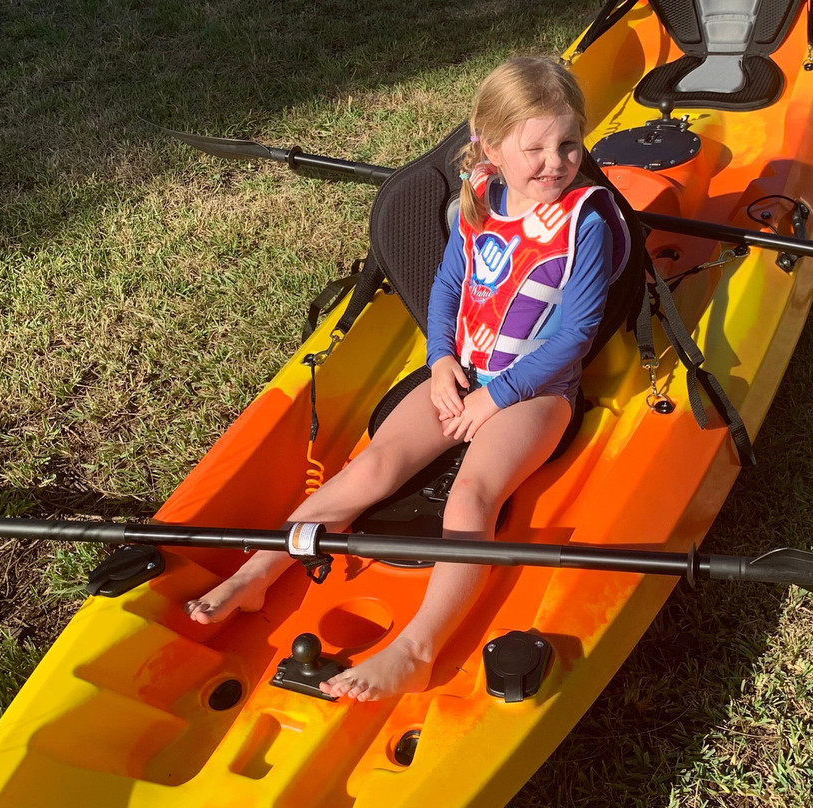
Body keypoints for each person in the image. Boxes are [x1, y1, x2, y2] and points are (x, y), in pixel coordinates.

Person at [184, 56, 629, 701]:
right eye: (534, 148)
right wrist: (441, 358)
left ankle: (418, 648)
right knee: (370, 468)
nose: (555, 163)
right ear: (490, 146)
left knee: (472, 494)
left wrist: (496, 398)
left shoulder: (583, 221)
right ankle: (260, 570)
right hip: (463, 369)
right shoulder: (480, 197)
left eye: (568, 144)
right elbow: (450, 285)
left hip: (537, 392)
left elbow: (575, 335)